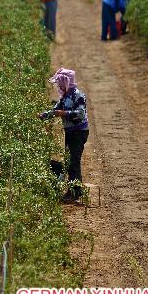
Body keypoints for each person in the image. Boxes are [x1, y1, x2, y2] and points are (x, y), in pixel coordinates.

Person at [39, 68, 89, 203]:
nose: (58, 86)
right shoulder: (65, 96)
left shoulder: (78, 95)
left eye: (59, 83)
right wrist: (43, 116)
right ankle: (73, 190)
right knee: (69, 160)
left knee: (73, 161)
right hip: (71, 131)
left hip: (79, 132)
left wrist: (64, 114)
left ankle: (75, 192)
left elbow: (80, 114)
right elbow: (55, 110)